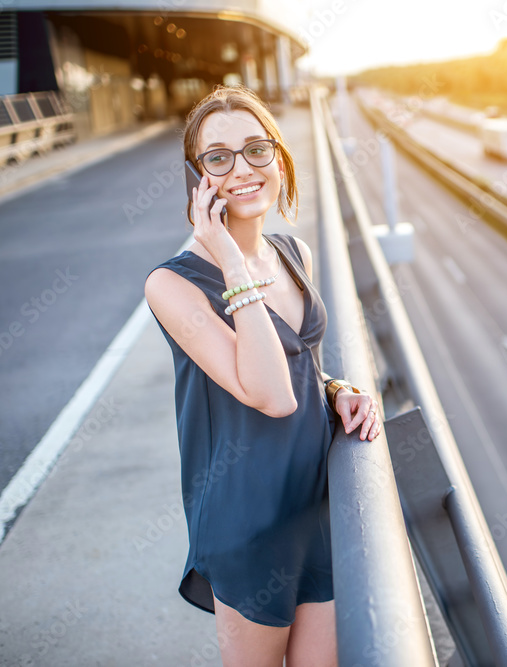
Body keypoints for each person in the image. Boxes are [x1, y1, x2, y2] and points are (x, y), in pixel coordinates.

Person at [144, 85, 381, 666]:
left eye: (256, 149)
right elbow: (271, 396)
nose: (242, 169)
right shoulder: (172, 286)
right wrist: (229, 258)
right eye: (218, 157)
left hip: (316, 507)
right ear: (198, 179)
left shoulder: (292, 251)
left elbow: (297, 368)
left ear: (279, 156)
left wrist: (336, 388)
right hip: (250, 522)